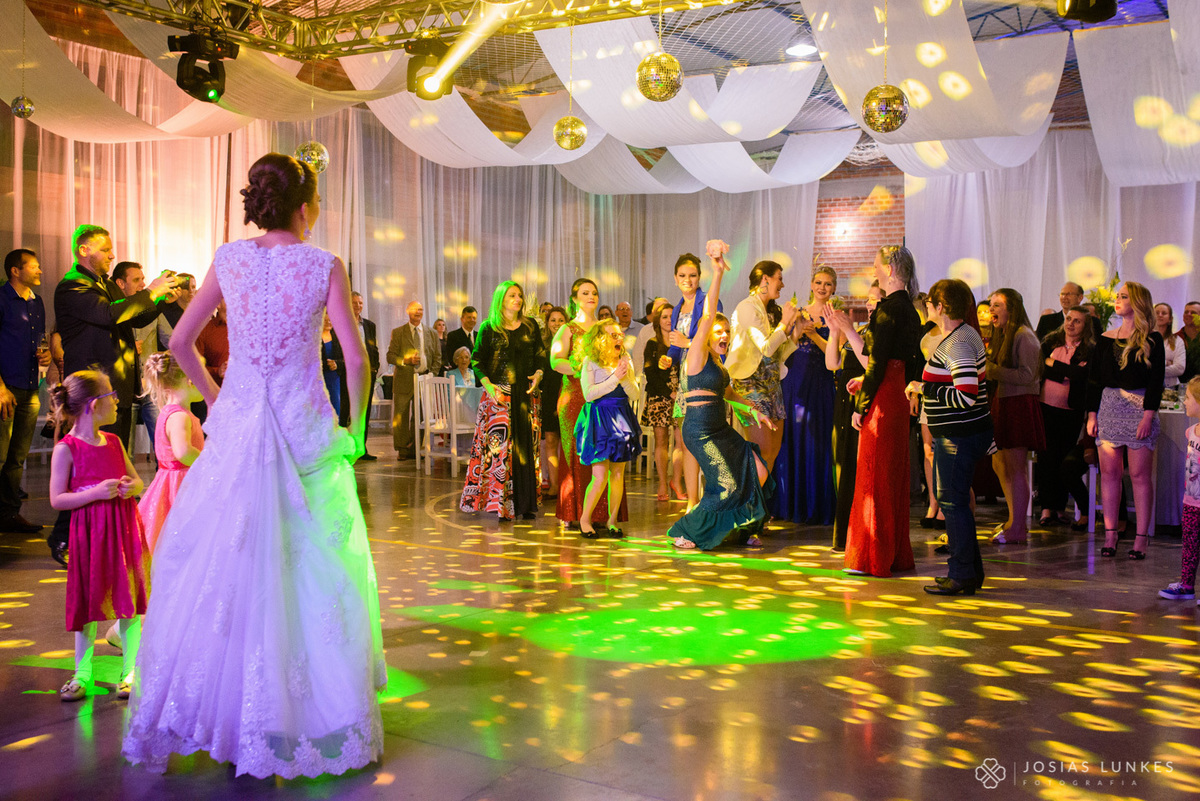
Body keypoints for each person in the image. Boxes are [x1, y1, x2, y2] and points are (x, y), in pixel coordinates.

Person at [123, 152, 384, 778]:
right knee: (313, 564)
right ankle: (299, 713)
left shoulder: (228, 259)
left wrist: (217, 397)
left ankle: (227, 707)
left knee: (229, 561)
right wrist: (355, 430)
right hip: (303, 428)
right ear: (304, 204)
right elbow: (355, 360)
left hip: (240, 423)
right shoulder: (324, 265)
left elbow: (179, 341)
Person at [48, 370, 148, 702]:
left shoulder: (116, 442)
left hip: (121, 530)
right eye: (111, 395)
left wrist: (130, 487)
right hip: (89, 534)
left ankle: (129, 670)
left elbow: (137, 482)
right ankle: (83, 672)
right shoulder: (67, 448)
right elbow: (57, 498)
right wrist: (95, 493)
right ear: (93, 405)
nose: (117, 400)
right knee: (88, 601)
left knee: (128, 602)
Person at [669, 241, 774, 551]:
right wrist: (716, 273)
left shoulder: (718, 364)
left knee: (758, 468)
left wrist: (754, 410)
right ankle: (686, 530)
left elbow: (727, 393)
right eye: (718, 332)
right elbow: (708, 312)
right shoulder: (698, 354)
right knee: (726, 485)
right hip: (700, 431)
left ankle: (742, 527)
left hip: (720, 428)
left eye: (727, 331)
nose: (724, 335)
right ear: (706, 336)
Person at [830, 245, 922, 578]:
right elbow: (895, 363)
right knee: (891, 475)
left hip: (883, 402)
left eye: (876, 266)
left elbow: (878, 360)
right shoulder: (911, 310)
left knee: (873, 476)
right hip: (895, 396)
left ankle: (871, 555)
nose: (873, 271)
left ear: (891, 269)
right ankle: (893, 554)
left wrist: (861, 405)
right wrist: (865, 379)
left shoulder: (888, 309)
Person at [55, 225, 178, 448]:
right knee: (97, 455)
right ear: (84, 250)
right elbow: (108, 315)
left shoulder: (106, 284)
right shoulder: (73, 285)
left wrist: (160, 300)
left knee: (116, 452)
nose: (112, 255)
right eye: (105, 250)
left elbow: (133, 319)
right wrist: (150, 292)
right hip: (93, 389)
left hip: (114, 385)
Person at [909, 279, 993, 596]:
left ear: (941, 306)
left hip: (958, 435)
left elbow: (967, 394)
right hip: (961, 432)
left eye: (930, 302)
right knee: (955, 502)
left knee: (953, 503)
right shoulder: (962, 335)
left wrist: (923, 388)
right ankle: (969, 572)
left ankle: (960, 575)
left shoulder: (957, 342)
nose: (926, 306)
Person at [1087, 281, 1165, 561]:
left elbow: (1156, 381)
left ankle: (1141, 537)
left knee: (1139, 476)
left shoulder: (1152, 339)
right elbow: (1094, 379)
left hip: (1139, 408)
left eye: (1124, 296)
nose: (1118, 300)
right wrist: (1092, 413)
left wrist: (1148, 414)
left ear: (1138, 302)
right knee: (1109, 474)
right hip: (1109, 406)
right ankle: (1110, 534)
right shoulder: (1106, 338)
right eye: (1117, 296)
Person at [459, 282, 546, 522]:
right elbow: (477, 361)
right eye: (512, 295)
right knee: (501, 452)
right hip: (500, 394)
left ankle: (526, 504)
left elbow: (540, 355)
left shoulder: (530, 326)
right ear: (501, 299)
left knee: (525, 450)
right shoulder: (489, 328)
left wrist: (538, 374)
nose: (518, 299)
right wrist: (489, 386)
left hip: (526, 395)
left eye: (519, 295)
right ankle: (502, 506)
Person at [552, 279, 628, 528]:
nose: (590, 297)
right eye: (585, 293)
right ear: (574, 298)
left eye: (594, 292)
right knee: (578, 450)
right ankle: (573, 512)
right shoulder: (567, 330)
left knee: (607, 453)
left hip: (606, 398)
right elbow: (555, 361)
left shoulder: (606, 328)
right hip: (575, 395)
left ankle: (604, 516)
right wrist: (581, 368)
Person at [773, 266, 840, 525]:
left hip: (821, 383)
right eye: (819, 282)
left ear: (833, 288)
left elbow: (836, 356)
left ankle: (815, 505)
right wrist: (798, 331)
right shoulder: (799, 312)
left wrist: (815, 335)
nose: (822, 287)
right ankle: (789, 503)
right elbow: (785, 348)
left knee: (817, 442)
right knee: (791, 439)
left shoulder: (836, 316)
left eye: (828, 284)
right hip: (794, 381)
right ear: (812, 285)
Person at [825, 283, 882, 552]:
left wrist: (847, 329)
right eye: (868, 300)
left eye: (874, 300)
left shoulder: (878, 335)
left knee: (855, 469)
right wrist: (835, 330)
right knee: (842, 468)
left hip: (862, 405)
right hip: (844, 404)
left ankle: (858, 535)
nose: (869, 305)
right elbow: (832, 363)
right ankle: (844, 534)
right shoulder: (861, 331)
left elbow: (869, 365)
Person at [726, 261, 798, 476]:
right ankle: (749, 508)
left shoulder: (768, 311)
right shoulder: (747, 307)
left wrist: (796, 332)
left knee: (772, 453)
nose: (783, 285)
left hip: (771, 386)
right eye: (779, 278)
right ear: (765, 279)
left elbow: (776, 356)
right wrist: (784, 323)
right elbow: (766, 348)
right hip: (749, 386)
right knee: (761, 452)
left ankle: (760, 507)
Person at [986, 288, 1045, 544]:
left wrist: (992, 370)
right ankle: (1013, 518)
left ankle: (1018, 526)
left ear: (1012, 308)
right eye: (991, 304)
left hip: (1019, 404)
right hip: (1004, 402)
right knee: (999, 463)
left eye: (997, 304)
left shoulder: (1023, 335)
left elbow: (1028, 376)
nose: (991, 309)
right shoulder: (1003, 334)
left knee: (1016, 467)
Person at [575, 319, 642, 538]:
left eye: (619, 335)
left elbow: (635, 394)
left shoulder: (626, 359)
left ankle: (612, 521)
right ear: (601, 339)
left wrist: (623, 378)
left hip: (621, 418)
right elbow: (589, 394)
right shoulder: (590, 362)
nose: (619, 338)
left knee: (617, 474)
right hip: (599, 419)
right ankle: (585, 520)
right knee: (600, 475)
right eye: (613, 335)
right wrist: (615, 378)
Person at [1, 248, 50, 534]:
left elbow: (38, 340)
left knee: (17, 457)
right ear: (15, 271)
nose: (40, 271)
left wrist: (43, 359)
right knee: (1, 454)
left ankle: (9, 514)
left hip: (30, 386)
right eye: (34, 266)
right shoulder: (2, 299)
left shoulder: (37, 302)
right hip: (6, 389)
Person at [668, 253, 721, 510]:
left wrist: (688, 343)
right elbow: (676, 345)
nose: (687, 280)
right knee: (685, 440)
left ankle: (711, 498)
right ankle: (692, 500)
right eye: (682, 276)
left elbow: (718, 341)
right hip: (684, 379)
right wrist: (669, 357)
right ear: (675, 279)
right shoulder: (678, 306)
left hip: (704, 376)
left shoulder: (709, 301)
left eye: (692, 275)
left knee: (705, 439)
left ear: (700, 277)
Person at [137, 352, 203, 553]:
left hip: (170, 480)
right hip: (182, 484)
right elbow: (183, 452)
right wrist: (211, 459)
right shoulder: (179, 417)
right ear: (191, 381)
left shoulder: (169, 412)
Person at [1035, 307, 1095, 526]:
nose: (1070, 324)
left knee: (1062, 458)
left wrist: (1056, 366)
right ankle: (1046, 508)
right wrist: (1065, 371)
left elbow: (1080, 375)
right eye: (1069, 319)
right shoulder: (1050, 341)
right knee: (1046, 457)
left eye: (1077, 321)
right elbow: (1041, 367)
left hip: (1071, 411)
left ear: (1085, 326)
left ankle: (1060, 508)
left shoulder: (1089, 349)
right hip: (1045, 407)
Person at [114, 261, 171, 453]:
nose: (142, 284)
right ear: (121, 283)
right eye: (137, 280)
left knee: (161, 435)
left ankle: (163, 473)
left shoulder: (150, 308)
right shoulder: (114, 309)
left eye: (143, 279)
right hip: (123, 382)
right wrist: (127, 348)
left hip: (148, 382)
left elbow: (171, 340)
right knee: (122, 442)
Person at [1159, 376, 1200, 600]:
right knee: (1190, 543)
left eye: (1189, 398)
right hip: (1191, 500)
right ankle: (1186, 585)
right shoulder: (1191, 431)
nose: (1184, 401)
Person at [387, 300, 442, 459]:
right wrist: (405, 361)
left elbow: (437, 357)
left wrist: (432, 374)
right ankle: (402, 449)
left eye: (421, 309)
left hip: (425, 379)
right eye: (414, 309)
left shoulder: (431, 333)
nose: (418, 312)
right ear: (407, 311)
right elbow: (390, 356)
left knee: (422, 416)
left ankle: (416, 448)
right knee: (401, 416)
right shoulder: (398, 332)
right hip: (404, 380)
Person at [642, 301, 683, 502]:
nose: (668, 320)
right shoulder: (652, 343)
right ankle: (661, 482)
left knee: (681, 442)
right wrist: (669, 393)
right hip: (660, 397)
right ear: (658, 321)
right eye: (664, 317)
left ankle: (676, 481)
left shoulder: (682, 342)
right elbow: (650, 374)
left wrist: (680, 393)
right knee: (661, 440)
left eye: (671, 316)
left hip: (681, 396)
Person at [916, 296, 948, 530]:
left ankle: (947, 506)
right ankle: (933, 502)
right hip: (927, 394)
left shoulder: (955, 335)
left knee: (944, 451)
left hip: (946, 396)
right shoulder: (927, 334)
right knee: (928, 450)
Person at [341, 291, 379, 460]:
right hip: (347, 371)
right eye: (355, 302)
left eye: (360, 303)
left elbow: (374, 348)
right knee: (346, 409)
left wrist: (375, 367)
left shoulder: (369, 325)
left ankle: (361, 447)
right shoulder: (342, 322)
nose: (358, 306)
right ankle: (344, 447)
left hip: (366, 373)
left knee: (364, 410)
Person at [539, 307, 567, 498]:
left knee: (567, 444)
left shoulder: (571, 344)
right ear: (547, 323)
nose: (556, 324)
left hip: (566, 395)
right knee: (550, 440)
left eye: (560, 320)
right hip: (548, 397)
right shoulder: (541, 345)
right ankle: (555, 485)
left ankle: (569, 487)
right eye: (553, 320)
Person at [1154, 303, 1187, 388]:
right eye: (1157, 313)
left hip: (1169, 388)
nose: (1160, 315)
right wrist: (1167, 362)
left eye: (1164, 313)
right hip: (1146, 386)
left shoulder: (1177, 341)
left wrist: (1155, 370)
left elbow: (1180, 368)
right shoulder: (1144, 338)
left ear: (1170, 319)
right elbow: (1141, 365)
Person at [321, 311, 344, 418]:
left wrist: (337, 364)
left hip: (334, 377)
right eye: (325, 320)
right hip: (319, 378)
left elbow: (346, 358)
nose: (328, 322)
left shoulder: (338, 337)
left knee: (335, 406)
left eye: (330, 320)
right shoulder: (315, 338)